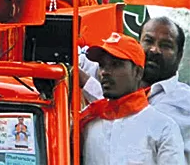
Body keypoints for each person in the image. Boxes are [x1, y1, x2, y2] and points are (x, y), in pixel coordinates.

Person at [80, 17, 190, 162]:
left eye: (165, 45)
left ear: (179, 55)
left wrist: (88, 84)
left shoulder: (171, 118)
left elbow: (126, 107)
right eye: (148, 41)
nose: (154, 49)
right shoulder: (90, 126)